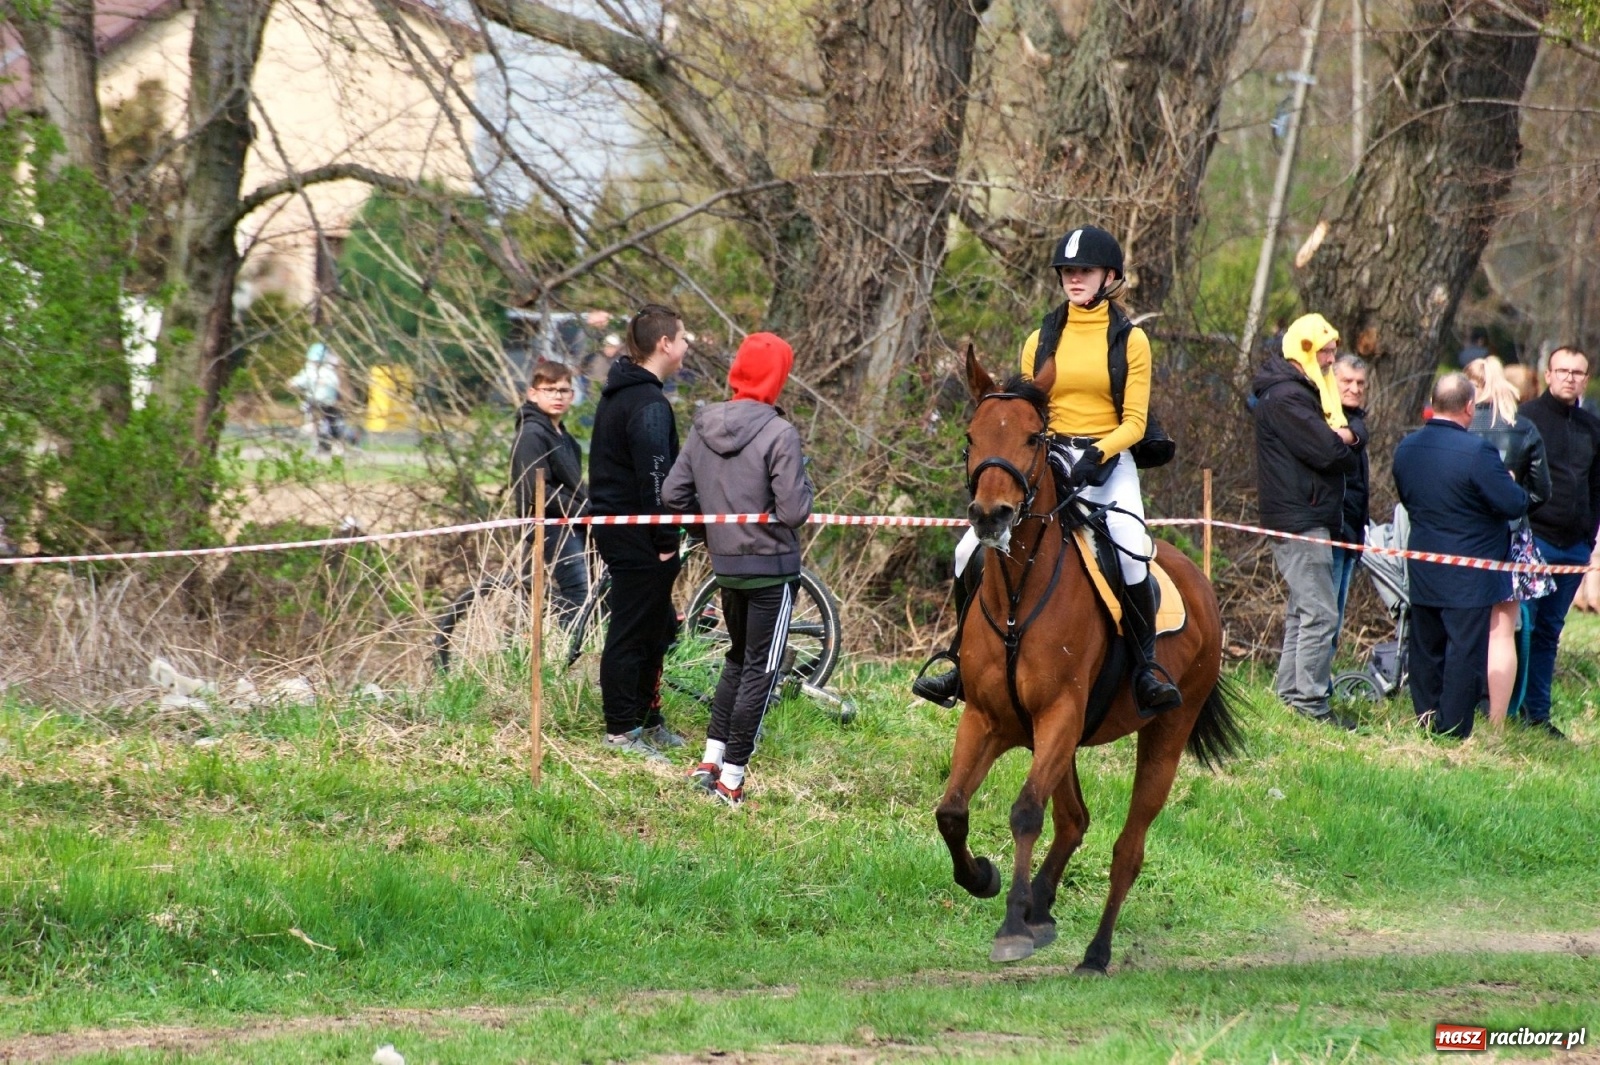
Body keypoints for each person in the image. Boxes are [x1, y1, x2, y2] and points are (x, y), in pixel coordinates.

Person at [912, 224, 1181, 716]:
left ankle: (1145, 669)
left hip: (1110, 460)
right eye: (1068, 271)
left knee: (1132, 549)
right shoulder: (1041, 338)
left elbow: (1136, 422)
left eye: (1085, 271)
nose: (1074, 279)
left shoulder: (1130, 340)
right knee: (968, 548)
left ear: (1110, 276)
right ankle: (958, 660)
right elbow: (1025, 413)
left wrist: (1099, 453)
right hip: (1049, 458)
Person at [663, 332, 814, 807]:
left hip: (726, 568)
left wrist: (711, 535)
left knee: (736, 659)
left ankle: (711, 757)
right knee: (760, 671)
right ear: (777, 378)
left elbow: (672, 496)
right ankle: (731, 779)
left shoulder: (703, 424)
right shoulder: (779, 433)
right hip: (771, 569)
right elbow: (793, 510)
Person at [1394, 373, 1529, 739]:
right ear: (1469, 406)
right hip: (1470, 571)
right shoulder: (1477, 452)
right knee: (1463, 651)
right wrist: (1511, 481)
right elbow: (1512, 503)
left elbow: (1407, 498)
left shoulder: (1406, 448)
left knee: (1425, 645)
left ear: (1434, 403)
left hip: (1423, 563)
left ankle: (1424, 716)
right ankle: (1451, 728)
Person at [1251, 313, 1365, 728]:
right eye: (1326, 351)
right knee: (1320, 613)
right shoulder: (1289, 398)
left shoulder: (1305, 392)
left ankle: (1290, 697)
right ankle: (1311, 706)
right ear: (1304, 350)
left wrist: (1350, 436)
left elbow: (1346, 436)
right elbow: (1330, 453)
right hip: (1300, 517)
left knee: (1304, 610)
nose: (1333, 360)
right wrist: (1348, 439)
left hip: (1307, 513)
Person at [588, 304, 690, 759]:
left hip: (628, 531)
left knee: (656, 627)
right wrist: (666, 540)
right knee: (632, 629)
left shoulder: (623, 393)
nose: (687, 346)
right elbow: (657, 482)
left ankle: (648, 718)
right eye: (683, 338)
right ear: (664, 343)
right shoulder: (647, 403)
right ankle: (621, 730)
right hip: (636, 536)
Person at [1516, 345, 1600, 739]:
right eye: (1562, 370)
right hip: (1534, 541)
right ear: (1548, 375)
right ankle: (1508, 708)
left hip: (1574, 547)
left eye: (1577, 372)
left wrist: (1589, 535)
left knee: (1550, 631)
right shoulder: (1527, 418)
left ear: (1586, 379)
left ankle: (1538, 714)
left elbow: (1595, 485)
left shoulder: (1591, 426)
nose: (1569, 377)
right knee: (1522, 627)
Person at [1464, 356, 1552, 727]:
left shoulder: (1460, 425)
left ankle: (1459, 708)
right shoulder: (1525, 428)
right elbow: (1542, 490)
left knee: (1464, 626)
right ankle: (1497, 723)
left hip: (1464, 538)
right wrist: (1514, 502)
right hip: (1512, 537)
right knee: (1502, 634)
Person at [510, 360, 590, 630]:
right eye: (550, 390)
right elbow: (536, 490)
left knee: (594, 592)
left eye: (564, 390)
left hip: (573, 523)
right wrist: (583, 509)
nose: (558, 396)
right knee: (579, 594)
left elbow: (573, 485)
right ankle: (571, 658)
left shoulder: (562, 435)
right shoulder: (532, 433)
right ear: (533, 393)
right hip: (551, 526)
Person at [1331, 354, 1371, 643]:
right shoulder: (1327, 420)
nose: (1354, 389)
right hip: (1330, 530)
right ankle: (1310, 687)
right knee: (1324, 617)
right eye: (1347, 381)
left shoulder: (1356, 423)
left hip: (1351, 533)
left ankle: (1322, 682)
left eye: (1360, 383)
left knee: (1336, 617)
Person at [287, 342, 345, 454]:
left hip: (329, 403)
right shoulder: (310, 371)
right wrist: (292, 383)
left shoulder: (327, 370)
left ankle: (335, 447)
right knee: (313, 424)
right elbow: (301, 379)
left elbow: (334, 382)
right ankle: (316, 443)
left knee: (333, 425)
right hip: (314, 403)